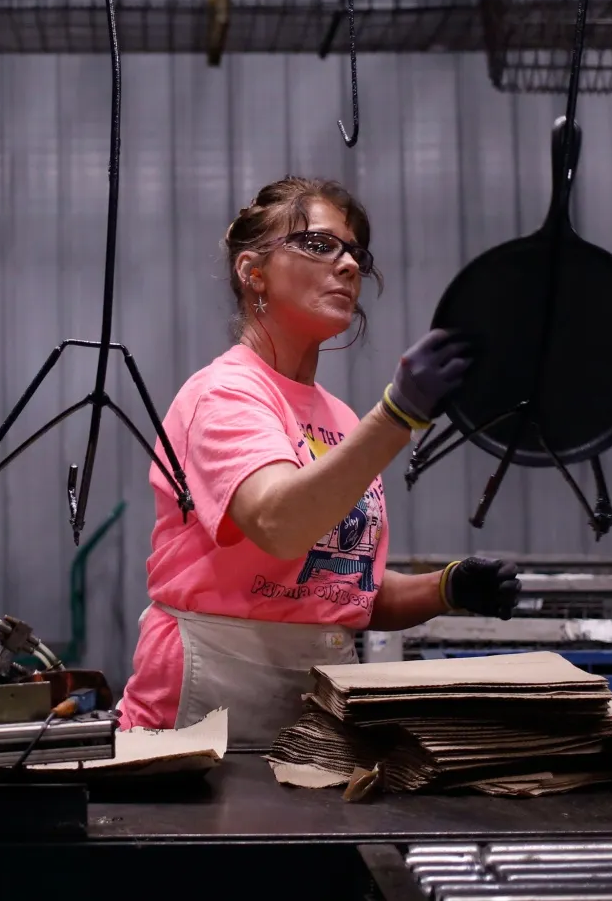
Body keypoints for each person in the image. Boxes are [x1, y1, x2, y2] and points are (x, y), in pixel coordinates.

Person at [116, 176, 523, 747]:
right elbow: (281, 525)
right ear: (252, 271)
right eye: (319, 244)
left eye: (355, 251)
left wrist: (448, 588)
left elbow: (339, 589)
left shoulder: (341, 420)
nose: (349, 264)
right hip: (207, 703)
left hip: (316, 698)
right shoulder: (226, 394)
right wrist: (400, 415)